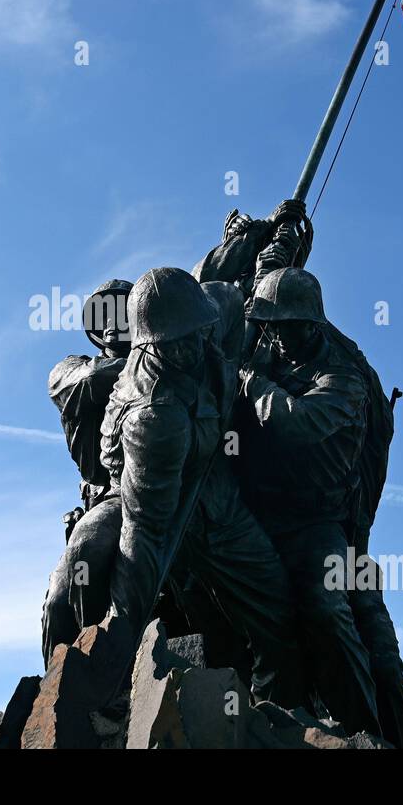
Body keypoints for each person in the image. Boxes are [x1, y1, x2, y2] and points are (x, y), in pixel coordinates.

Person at [100, 267, 298, 704]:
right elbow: (145, 535)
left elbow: (245, 286)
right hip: (164, 503)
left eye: (195, 331)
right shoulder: (154, 418)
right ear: (152, 345)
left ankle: (270, 711)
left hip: (217, 493)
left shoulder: (218, 307)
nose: (191, 346)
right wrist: (119, 633)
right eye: (176, 341)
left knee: (279, 608)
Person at [232, 267, 383, 737]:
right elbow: (254, 275)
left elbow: (298, 423)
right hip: (254, 512)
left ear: (310, 326)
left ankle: (363, 731)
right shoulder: (266, 346)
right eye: (268, 324)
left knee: (325, 606)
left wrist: (250, 382)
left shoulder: (344, 379)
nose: (273, 335)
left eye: (283, 326)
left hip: (316, 524)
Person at [39, 280, 132, 666]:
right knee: (60, 596)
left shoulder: (169, 359)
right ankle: (61, 684)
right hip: (107, 494)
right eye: (103, 313)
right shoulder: (70, 369)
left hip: (158, 491)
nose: (112, 320)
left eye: (122, 310)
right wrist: (152, 357)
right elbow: (89, 382)